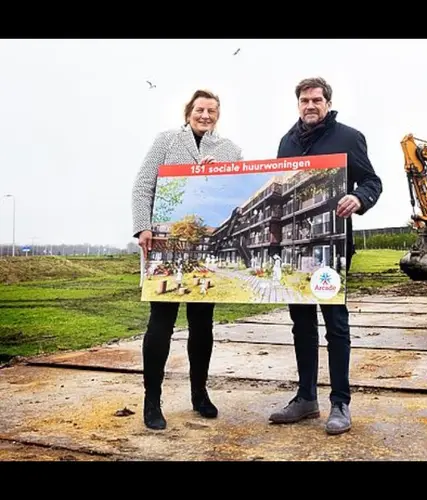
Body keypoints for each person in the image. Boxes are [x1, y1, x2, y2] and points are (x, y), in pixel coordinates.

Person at [268, 77, 382, 435]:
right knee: (301, 326)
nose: (310, 105)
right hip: (294, 251)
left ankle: (340, 403)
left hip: (330, 252)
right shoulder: (286, 142)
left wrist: (359, 198)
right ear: (298, 104)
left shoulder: (349, 137)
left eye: (317, 99)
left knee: (335, 326)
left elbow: (373, 182)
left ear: (328, 103)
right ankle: (305, 398)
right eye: (304, 100)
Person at [131, 89, 243, 430]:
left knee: (202, 325)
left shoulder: (231, 150)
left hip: (205, 247)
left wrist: (219, 173)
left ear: (218, 115)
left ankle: (199, 393)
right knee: (160, 325)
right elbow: (143, 186)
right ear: (188, 112)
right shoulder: (166, 141)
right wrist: (142, 228)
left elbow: (234, 193)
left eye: (211, 110)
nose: (205, 115)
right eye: (199, 109)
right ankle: (152, 400)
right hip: (165, 244)